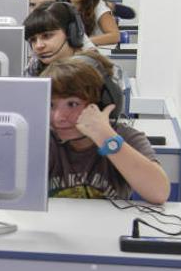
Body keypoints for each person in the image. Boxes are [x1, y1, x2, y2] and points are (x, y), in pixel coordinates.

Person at [42, 56, 169, 204]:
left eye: (72, 104)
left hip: (111, 226)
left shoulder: (124, 136)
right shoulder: (45, 139)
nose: (58, 117)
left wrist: (104, 136)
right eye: (51, 105)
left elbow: (159, 193)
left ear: (102, 103)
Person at [23, 0, 98, 76]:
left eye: (47, 36)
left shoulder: (86, 73)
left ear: (71, 33)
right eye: (33, 40)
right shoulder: (35, 67)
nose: (38, 46)